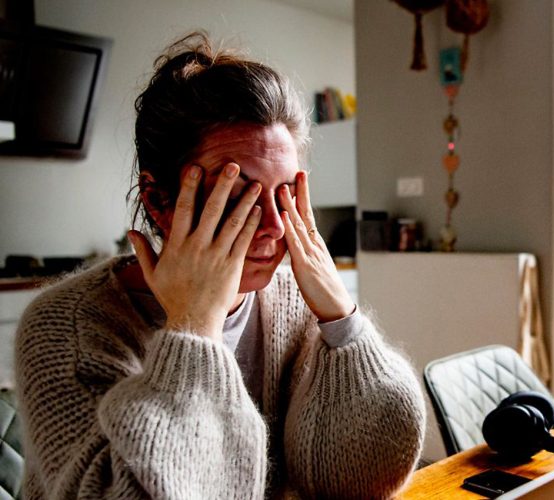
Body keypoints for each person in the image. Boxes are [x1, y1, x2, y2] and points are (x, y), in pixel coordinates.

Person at [15, 32, 425, 499]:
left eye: (286, 193)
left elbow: (358, 480)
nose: (274, 224)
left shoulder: (293, 301)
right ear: (158, 200)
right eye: (239, 195)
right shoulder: (64, 328)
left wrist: (342, 322)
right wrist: (193, 329)